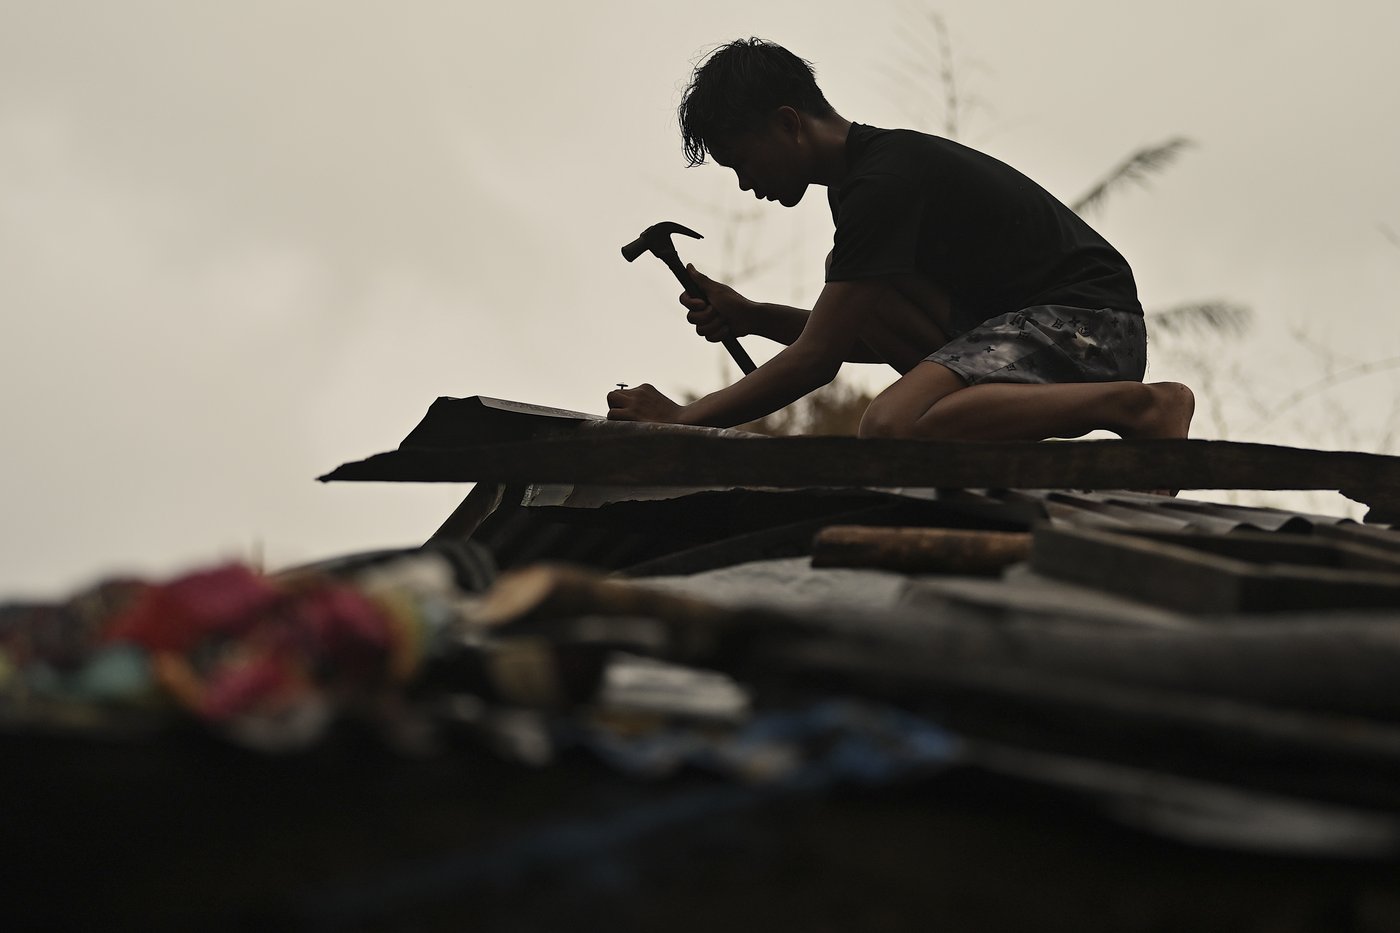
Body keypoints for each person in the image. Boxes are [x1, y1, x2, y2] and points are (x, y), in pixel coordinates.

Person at [606, 38, 1194, 444]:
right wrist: (752, 316)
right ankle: (985, 432)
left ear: (789, 123)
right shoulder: (861, 188)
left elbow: (818, 360)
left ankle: (1141, 406)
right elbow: (853, 335)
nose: (744, 181)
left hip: (1088, 326)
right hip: (1014, 328)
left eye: (741, 160)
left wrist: (683, 418)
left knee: (890, 425)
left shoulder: (883, 182)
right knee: (875, 299)